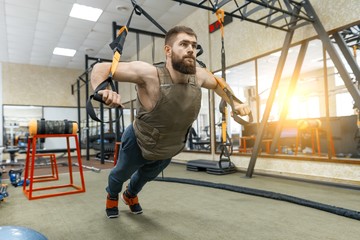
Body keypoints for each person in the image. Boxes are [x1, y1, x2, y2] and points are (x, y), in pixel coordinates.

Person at [91, 26, 251, 218]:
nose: (190, 49)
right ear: (168, 50)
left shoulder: (198, 76)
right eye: (183, 44)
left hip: (170, 145)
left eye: (193, 45)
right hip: (138, 141)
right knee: (119, 175)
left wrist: (235, 102)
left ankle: (130, 194)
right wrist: (102, 90)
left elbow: (218, 82)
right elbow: (101, 68)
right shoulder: (148, 74)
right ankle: (112, 195)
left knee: (145, 176)